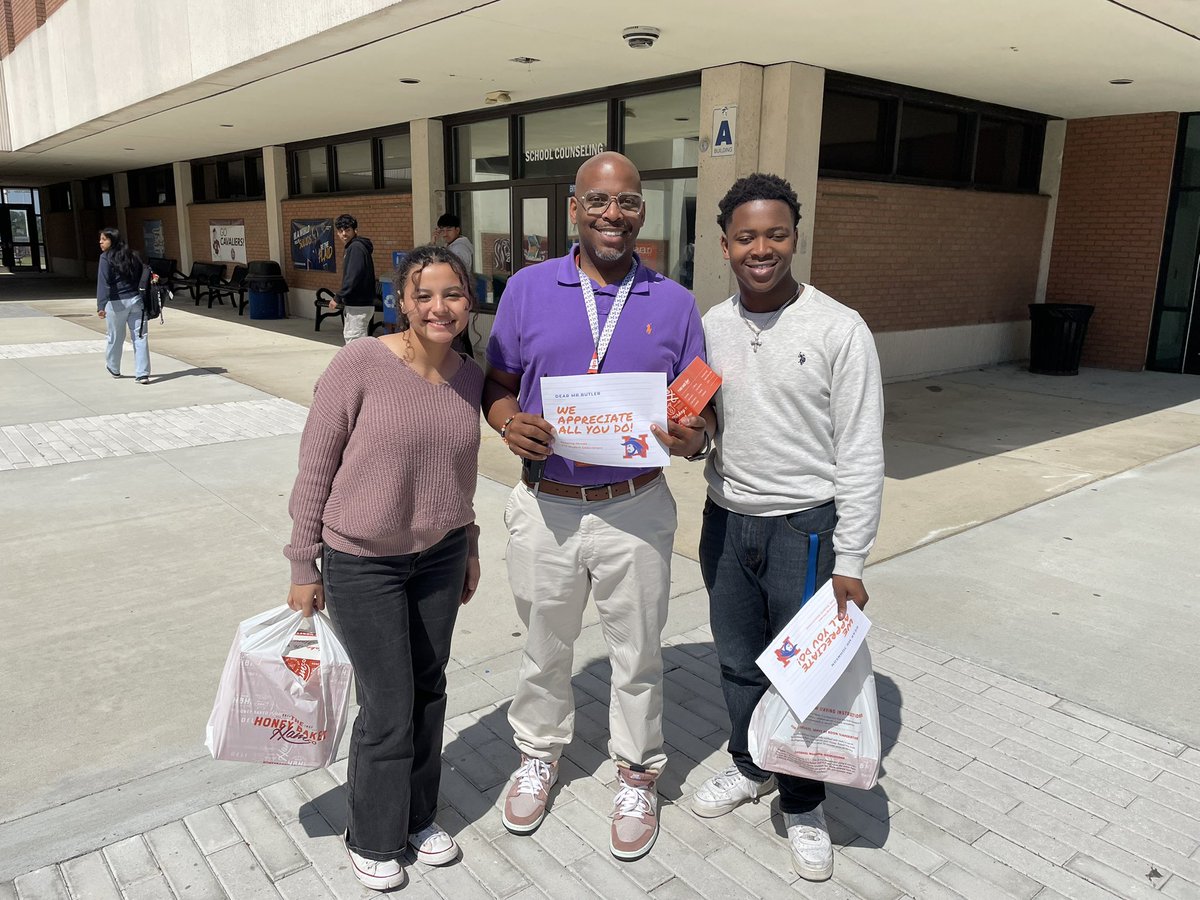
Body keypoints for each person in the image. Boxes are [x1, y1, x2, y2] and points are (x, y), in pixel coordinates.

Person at [483, 151, 708, 862]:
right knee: (545, 648)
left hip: (634, 506)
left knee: (637, 652)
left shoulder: (673, 301)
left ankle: (637, 772)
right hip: (546, 504)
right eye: (600, 202)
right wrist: (502, 419)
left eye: (629, 202)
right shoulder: (526, 287)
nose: (615, 215)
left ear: (643, 211)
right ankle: (540, 754)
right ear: (574, 208)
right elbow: (498, 379)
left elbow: (698, 402)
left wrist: (693, 437)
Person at [690, 173, 884, 882]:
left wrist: (851, 559)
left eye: (776, 234)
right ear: (725, 246)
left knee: (805, 677)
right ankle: (750, 765)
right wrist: (686, 435)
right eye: (746, 237)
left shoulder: (840, 329)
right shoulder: (710, 325)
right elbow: (701, 422)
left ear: (796, 237)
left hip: (805, 531)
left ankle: (804, 803)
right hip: (726, 520)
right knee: (739, 663)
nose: (761, 248)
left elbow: (862, 450)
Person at [285, 244, 483, 891]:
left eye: (451, 293)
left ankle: (419, 816)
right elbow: (316, 464)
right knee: (389, 703)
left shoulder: (468, 377)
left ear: (469, 300)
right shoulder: (361, 362)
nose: (438, 306)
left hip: (439, 557)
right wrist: (302, 563)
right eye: (423, 294)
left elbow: (460, 474)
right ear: (402, 301)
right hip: (362, 562)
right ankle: (371, 832)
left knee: (429, 691)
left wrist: (470, 542)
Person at [95, 227, 150, 384]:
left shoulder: (105, 258)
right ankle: (142, 374)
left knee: (115, 337)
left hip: (115, 303)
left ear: (112, 240)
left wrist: (101, 305)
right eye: (100, 239)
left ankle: (114, 367)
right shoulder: (133, 255)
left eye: (104, 239)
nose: (100, 242)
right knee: (140, 337)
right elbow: (142, 275)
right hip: (136, 301)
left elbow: (103, 282)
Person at [329, 214, 377, 343]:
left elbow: (354, 275)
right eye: (340, 231)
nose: (344, 234)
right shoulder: (356, 247)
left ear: (355, 230)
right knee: (357, 340)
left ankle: (359, 364)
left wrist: (338, 296)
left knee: (354, 342)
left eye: (347, 230)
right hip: (359, 304)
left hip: (358, 304)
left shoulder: (356, 248)